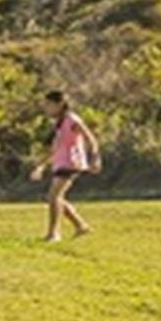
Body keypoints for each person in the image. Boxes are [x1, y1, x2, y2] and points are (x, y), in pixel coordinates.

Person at [32, 91, 101, 241]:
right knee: (56, 197)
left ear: (60, 104)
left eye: (49, 104)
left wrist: (95, 158)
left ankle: (54, 234)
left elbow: (90, 138)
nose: (45, 108)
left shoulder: (72, 120)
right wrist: (41, 166)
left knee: (54, 196)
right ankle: (81, 226)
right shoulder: (59, 123)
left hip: (71, 162)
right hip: (61, 162)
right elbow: (55, 148)